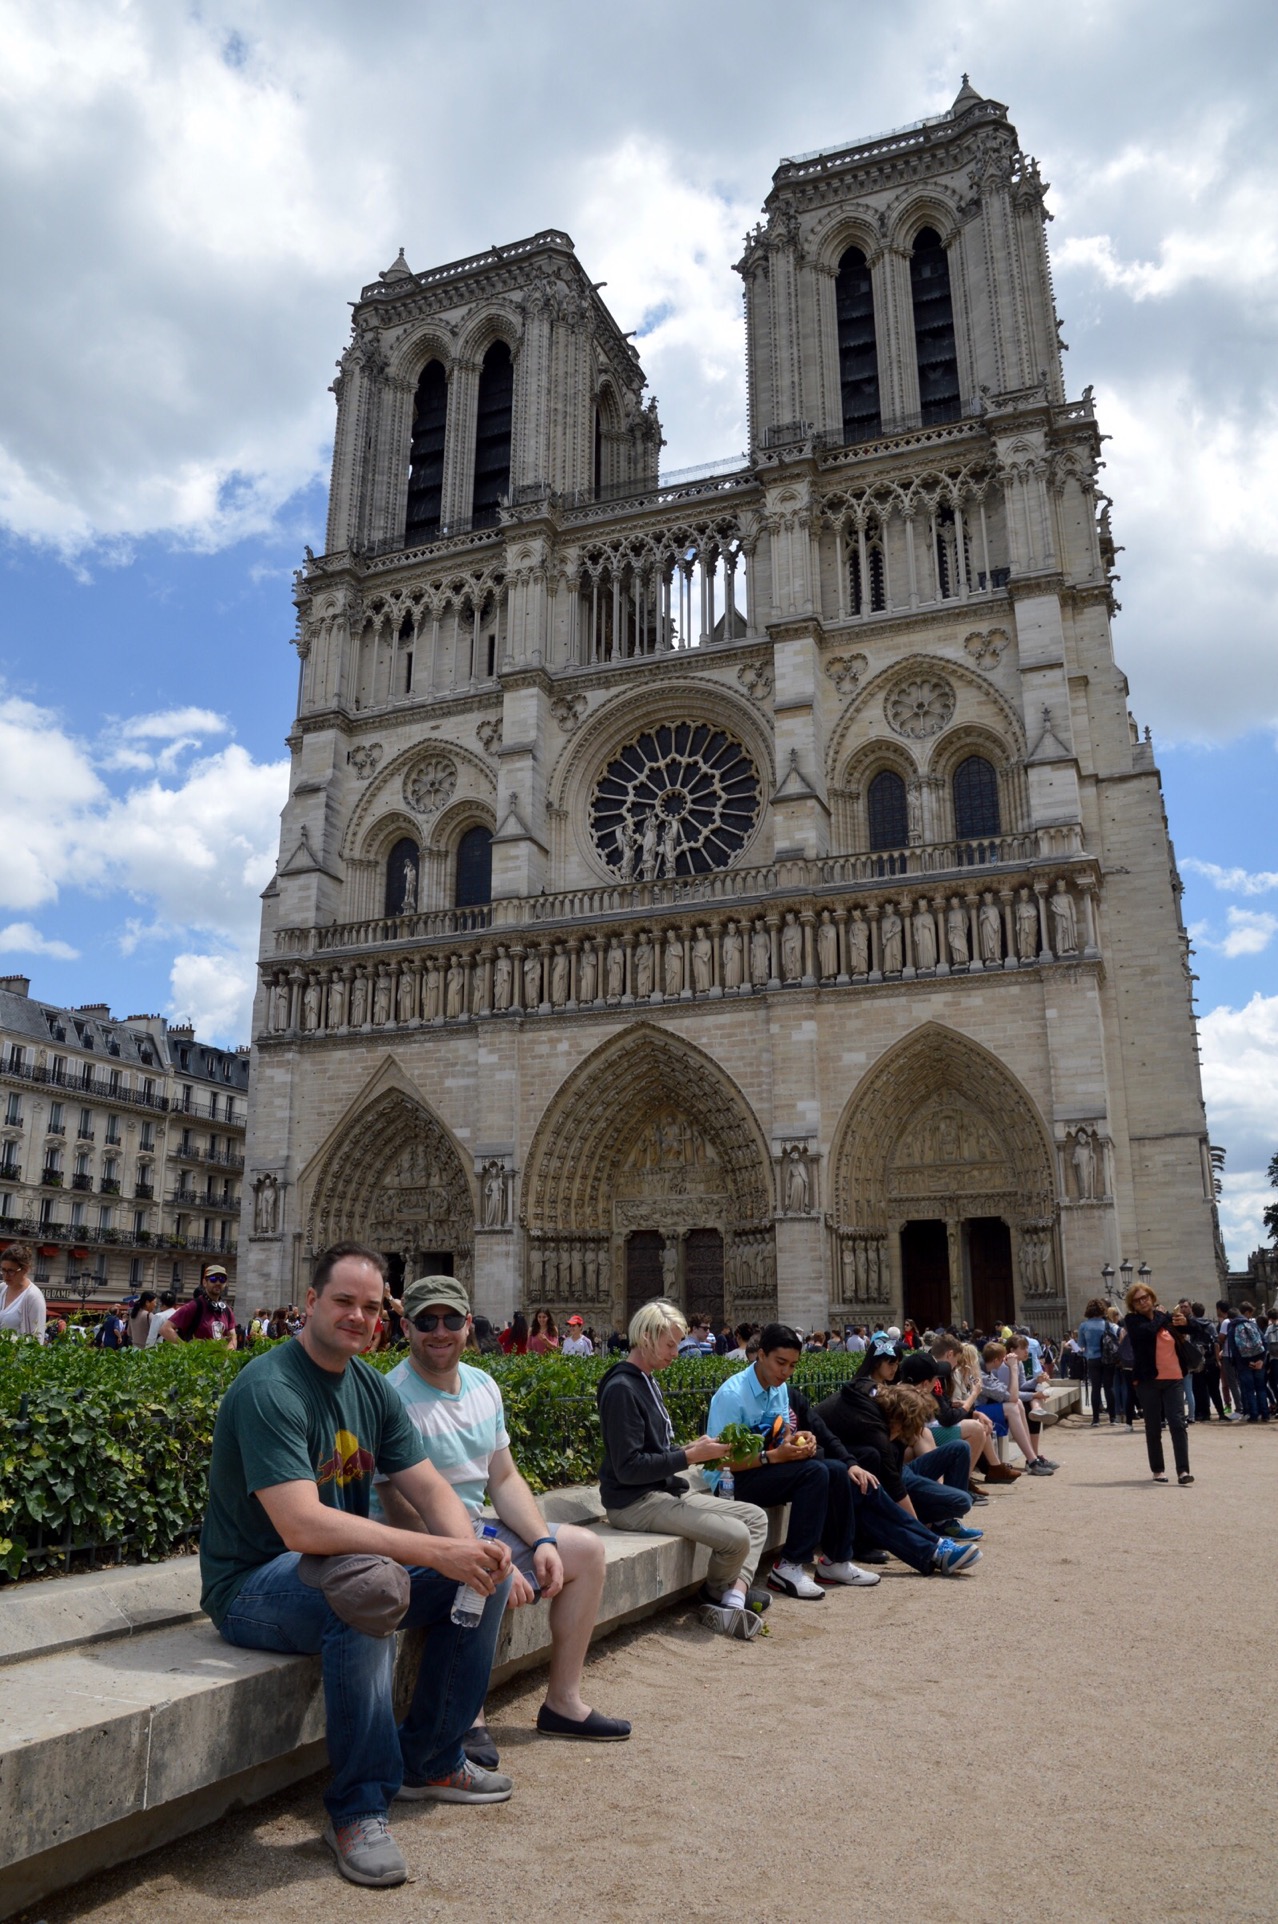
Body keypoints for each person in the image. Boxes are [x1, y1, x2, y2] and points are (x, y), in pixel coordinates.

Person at [202, 1243, 517, 1889]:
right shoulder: (270, 1386)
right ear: (310, 1303)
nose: (358, 1316)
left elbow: (428, 1489)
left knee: (490, 1569)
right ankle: (359, 1807)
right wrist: (438, 1552)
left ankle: (430, 1758)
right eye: (344, 1301)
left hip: (338, 1570)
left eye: (371, 1306)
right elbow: (301, 1525)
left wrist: (470, 1554)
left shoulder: (369, 1387)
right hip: (255, 1585)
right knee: (371, 1587)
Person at [373, 1275, 629, 1763]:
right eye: (426, 1321)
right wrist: (487, 1557)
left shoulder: (483, 1385)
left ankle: (563, 1703)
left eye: (451, 1320)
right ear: (405, 1327)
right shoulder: (392, 1397)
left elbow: (505, 1479)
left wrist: (540, 1542)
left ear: (469, 1326)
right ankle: (466, 1717)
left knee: (586, 1551)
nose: (440, 1331)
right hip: (412, 1541)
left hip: (472, 1527)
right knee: (478, 1574)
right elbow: (399, 1510)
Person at [597, 1299, 771, 1641]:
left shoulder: (644, 1379)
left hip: (658, 1492)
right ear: (646, 1337)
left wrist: (693, 1449)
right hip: (633, 1503)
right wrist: (689, 1457)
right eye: (670, 1344)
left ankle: (730, 1597)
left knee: (755, 1518)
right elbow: (629, 1468)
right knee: (736, 1536)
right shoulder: (621, 1388)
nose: (677, 1352)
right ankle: (718, 1597)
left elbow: (654, 1452)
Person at [1123, 1279, 1194, 1484]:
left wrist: (1186, 1321)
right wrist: (1163, 1316)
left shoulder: (1165, 1319)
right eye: (1138, 1300)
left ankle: (1183, 1471)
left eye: (1145, 1298)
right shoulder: (1133, 1321)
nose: (1143, 1302)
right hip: (1148, 1380)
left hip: (1173, 1378)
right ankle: (1158, 1470)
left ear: (1152, 1298)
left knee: (1178, 1423)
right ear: (1133, 1305)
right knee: (1153, 1426)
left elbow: (1194, 1331)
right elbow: (1147, 1332)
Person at [977, 1342, 1057, 1474]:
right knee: (1015, 1406)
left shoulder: (991, 1370)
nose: (1027, 1351)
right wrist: (1013, 1369)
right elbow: (1012, 1396)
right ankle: (1032, 1460)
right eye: (1023, 1348)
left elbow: (1016, 1390)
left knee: (1019, 1404)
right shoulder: (996, 1370)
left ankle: (1032, 1458)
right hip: (978, 1410)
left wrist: (1036, 1381)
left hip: (989, 1405)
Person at [161, 1266, 237, 1347]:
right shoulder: (194, 1306)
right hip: (198, 1359)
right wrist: (186, 1348)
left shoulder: (227, 1310)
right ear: (204, 1282)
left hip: (220, 1359)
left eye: (222, 1279)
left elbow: (233, 1338)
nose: (218, 1283)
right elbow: (165, 1329)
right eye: (213, 1279)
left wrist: (227, 1355)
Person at [1224, 1301, 1268, 1423]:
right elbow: (1264, 1342)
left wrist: (1243, 1362)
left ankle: (1253, 1415)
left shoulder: (1232, 1328)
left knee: (1249, 1390)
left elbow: (1234, 1349)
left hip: (1244, 1363)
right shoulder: (1253, 1325)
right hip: (1259, 1360)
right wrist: (1261, 1360)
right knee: (1261, 1388)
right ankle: (1265, 1414)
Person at [1077, 1297, 1116, 1426]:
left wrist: (1083, 1352)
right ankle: (1112, 1418)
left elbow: (1081, 1345)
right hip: (1107, 1359)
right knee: (1109, 1388)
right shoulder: (1107, 1324)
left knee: (1095, 1388)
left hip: (1092, 1359)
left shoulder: (1084, 1326)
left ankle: (1095, 1419)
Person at [0, 1243, 46, 1341]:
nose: (6, 1275)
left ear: (25, 1270)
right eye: (3, 1270)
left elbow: (37, 1339)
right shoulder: (1, 1288)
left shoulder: (33, 1297)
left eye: (11, 1271)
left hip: (16, 1355)